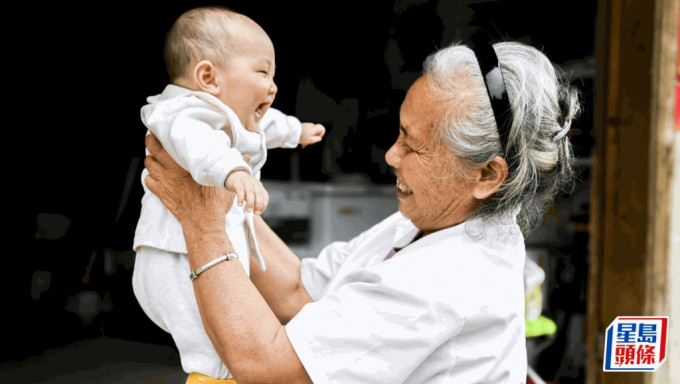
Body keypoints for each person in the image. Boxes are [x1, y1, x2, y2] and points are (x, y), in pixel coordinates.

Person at [143, 40, 579, 383]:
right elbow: (301, 290)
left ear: (486, 175)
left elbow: (271, 368)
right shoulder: (437, 220)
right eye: (399, 133)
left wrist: (201, 224)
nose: (392, 155)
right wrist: (221, 198)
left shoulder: (448, 278)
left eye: (413, 145)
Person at [131, 6, 325, 383]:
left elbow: (266, 124)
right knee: (210, 347)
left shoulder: (230, 115)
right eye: (262, 72)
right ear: (208, 77)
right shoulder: (183, 113)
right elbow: (202, 148)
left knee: (220, 328)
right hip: (172, 257)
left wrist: (297, 131)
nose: (273, 85)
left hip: (193, 254)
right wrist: (235, 172)